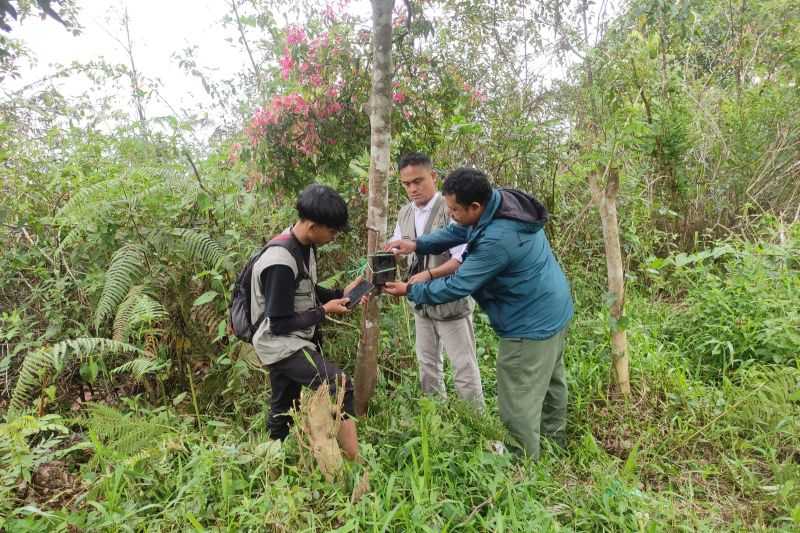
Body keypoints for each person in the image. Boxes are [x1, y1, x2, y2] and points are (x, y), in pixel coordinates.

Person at [384, 168, 574, 460]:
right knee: (550, 382)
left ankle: (522, 464)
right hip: (553, 306)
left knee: (518, 396)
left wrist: (410, 290)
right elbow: (458, 231)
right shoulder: (500, 203)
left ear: (475, 207)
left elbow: (459, 284)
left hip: (528, 321)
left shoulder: (498, 240)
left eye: (455, 209)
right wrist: (417, 244)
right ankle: (553, 445)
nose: (451, 214)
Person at [251, 183, 362, 459]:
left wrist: (341, 294)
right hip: (280, 344)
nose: (334, 237)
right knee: (341, 385)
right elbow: (278, 323)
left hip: (291, 340)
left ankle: (273, 463)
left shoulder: (305, 246)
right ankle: (354, 463)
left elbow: (307, 289)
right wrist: (325, 311)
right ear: (313, 226)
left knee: (283, 408)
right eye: (332, 231)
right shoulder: (279, 262)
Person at [389, 153, 484, 407]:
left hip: (450, 302)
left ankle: (476, 427)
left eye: (418, 181)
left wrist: (427, 275)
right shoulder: (404, 214)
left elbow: (460, 261)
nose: (412, 189)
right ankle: (436, 420)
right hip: (421, 303)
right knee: (427, 366)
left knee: (463, 367)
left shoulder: (452, 209)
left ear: (433, 177)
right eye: (406, 184)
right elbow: (400, 249)